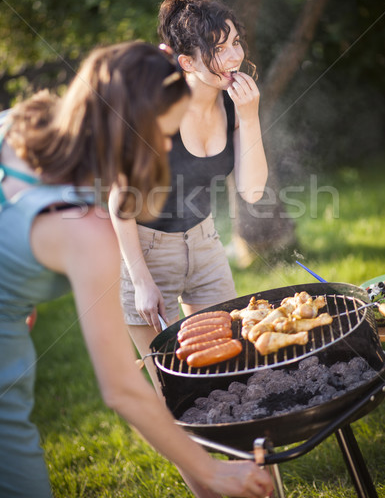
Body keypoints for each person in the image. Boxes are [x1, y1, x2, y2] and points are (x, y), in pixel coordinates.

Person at [0, 41, 273, 498]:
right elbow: (123, 390)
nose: (167, 146)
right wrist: (211, 472)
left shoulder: (25, 122)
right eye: (164, 134)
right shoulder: (87, 231)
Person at [111, 0, 268, 387]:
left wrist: (249, 119)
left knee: (228, 372)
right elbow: (119, 201)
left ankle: (241, 450)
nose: (235, 57)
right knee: (175, 384)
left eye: (235, 42)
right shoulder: (154, 112)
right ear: (187, 62)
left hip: (205, 242)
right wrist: (142, 281)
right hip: (146, 251)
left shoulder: (234, 105)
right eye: (219, 48)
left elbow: (251, 192)